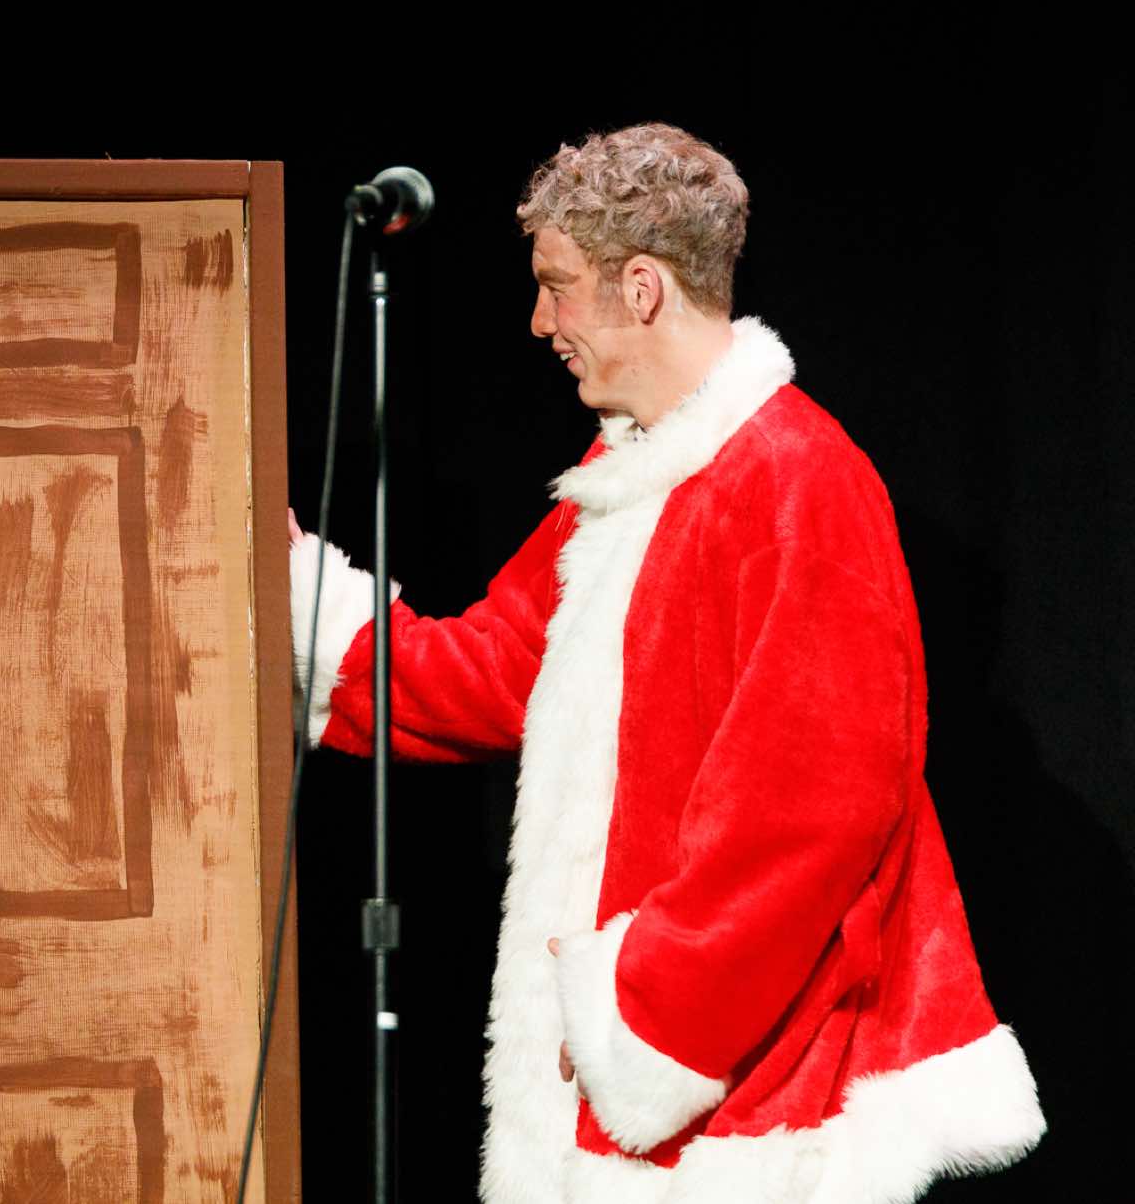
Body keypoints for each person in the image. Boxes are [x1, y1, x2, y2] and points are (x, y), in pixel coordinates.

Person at [290, 124, 1044, 1202]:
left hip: (752, 1085)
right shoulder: (629, 478)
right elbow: (497, 667)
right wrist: (301, 607)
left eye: (557, 286)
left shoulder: (798, 480)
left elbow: (808, 815)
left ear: (640, 289)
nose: (538, 321)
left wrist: (640, 1013)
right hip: (643, 1084)